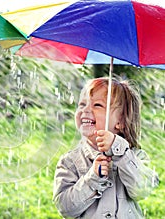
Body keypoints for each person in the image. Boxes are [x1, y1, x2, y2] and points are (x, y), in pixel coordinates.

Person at [53, 77, 159, 218]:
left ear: (120, 122)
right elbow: (65, 208)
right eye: (82, 104)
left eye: (97, 105)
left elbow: (142, 189)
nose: (85, 110)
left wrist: (120, 152)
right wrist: (92, 179)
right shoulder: (70, 161)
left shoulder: (134, 156)